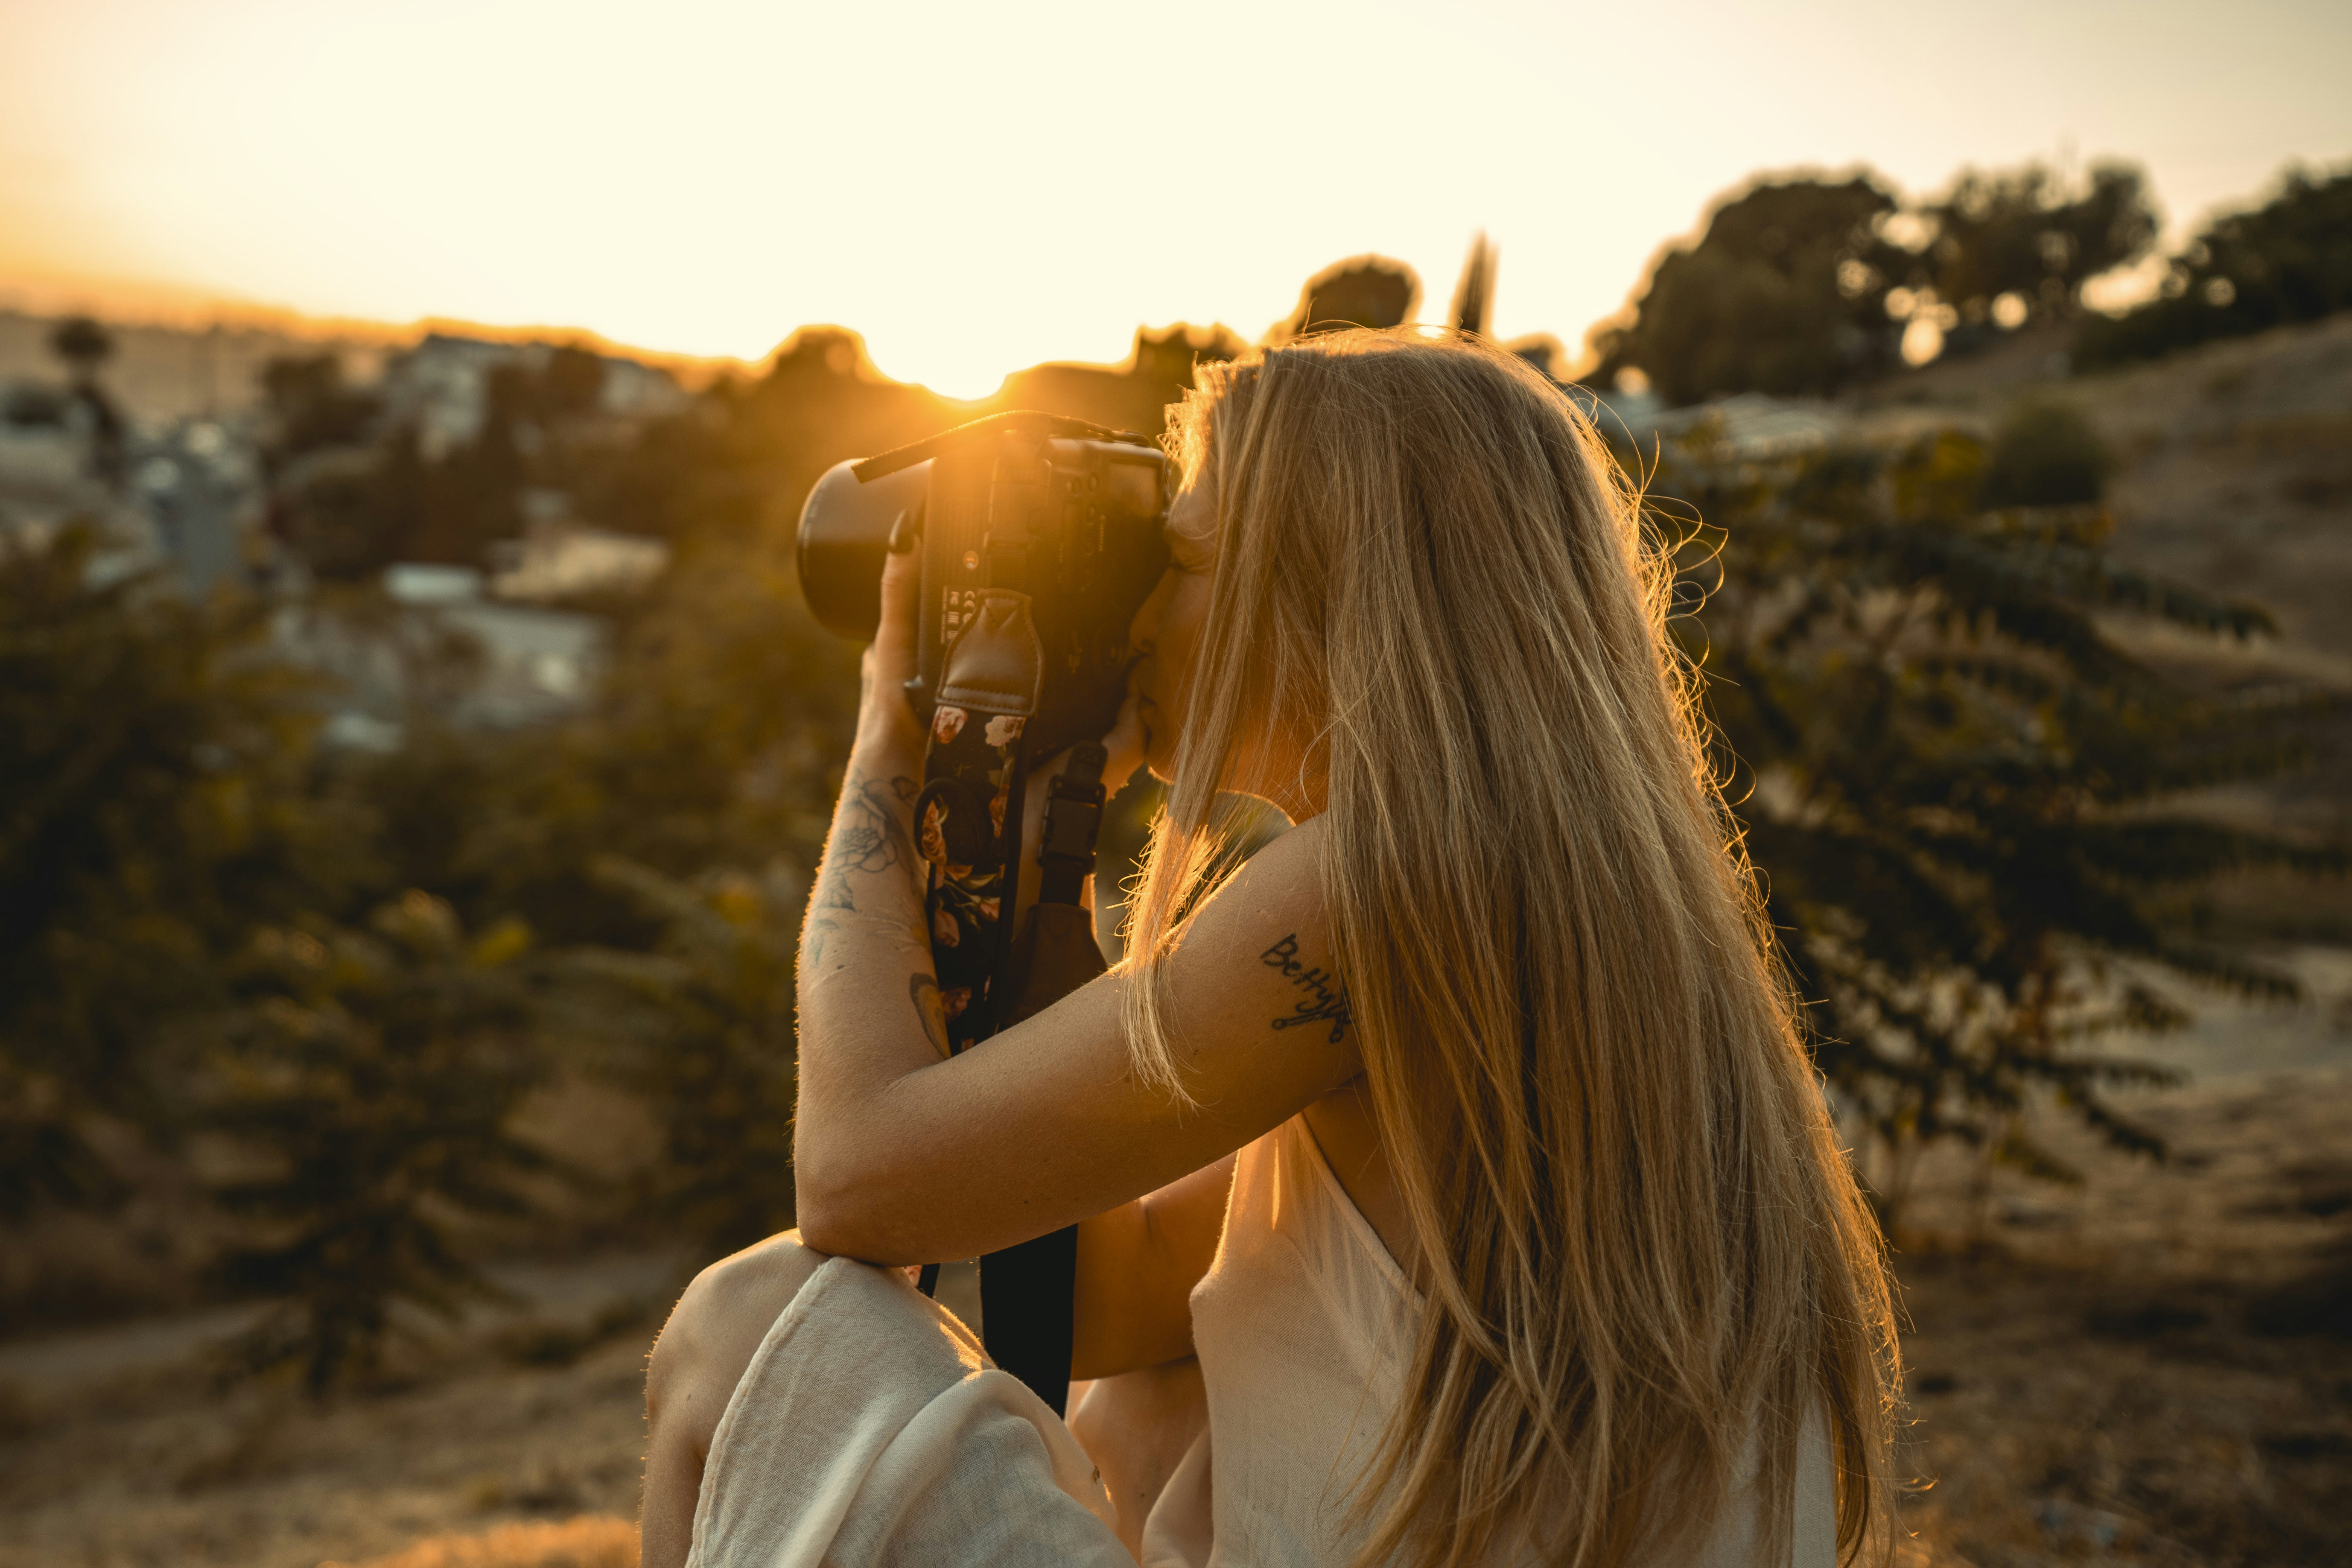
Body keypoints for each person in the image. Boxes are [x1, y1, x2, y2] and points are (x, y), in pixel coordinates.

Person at [640, 330, 1901, 1568]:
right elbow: (1115, 1301)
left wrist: (889, 742)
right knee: (1154, 1392)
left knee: (750, 1323)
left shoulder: (1383, 883)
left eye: (1184, 556)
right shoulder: (1578, 891)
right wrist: (1046, 854)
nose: (1141, 610)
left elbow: (853, 1183)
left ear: (1338, 584)